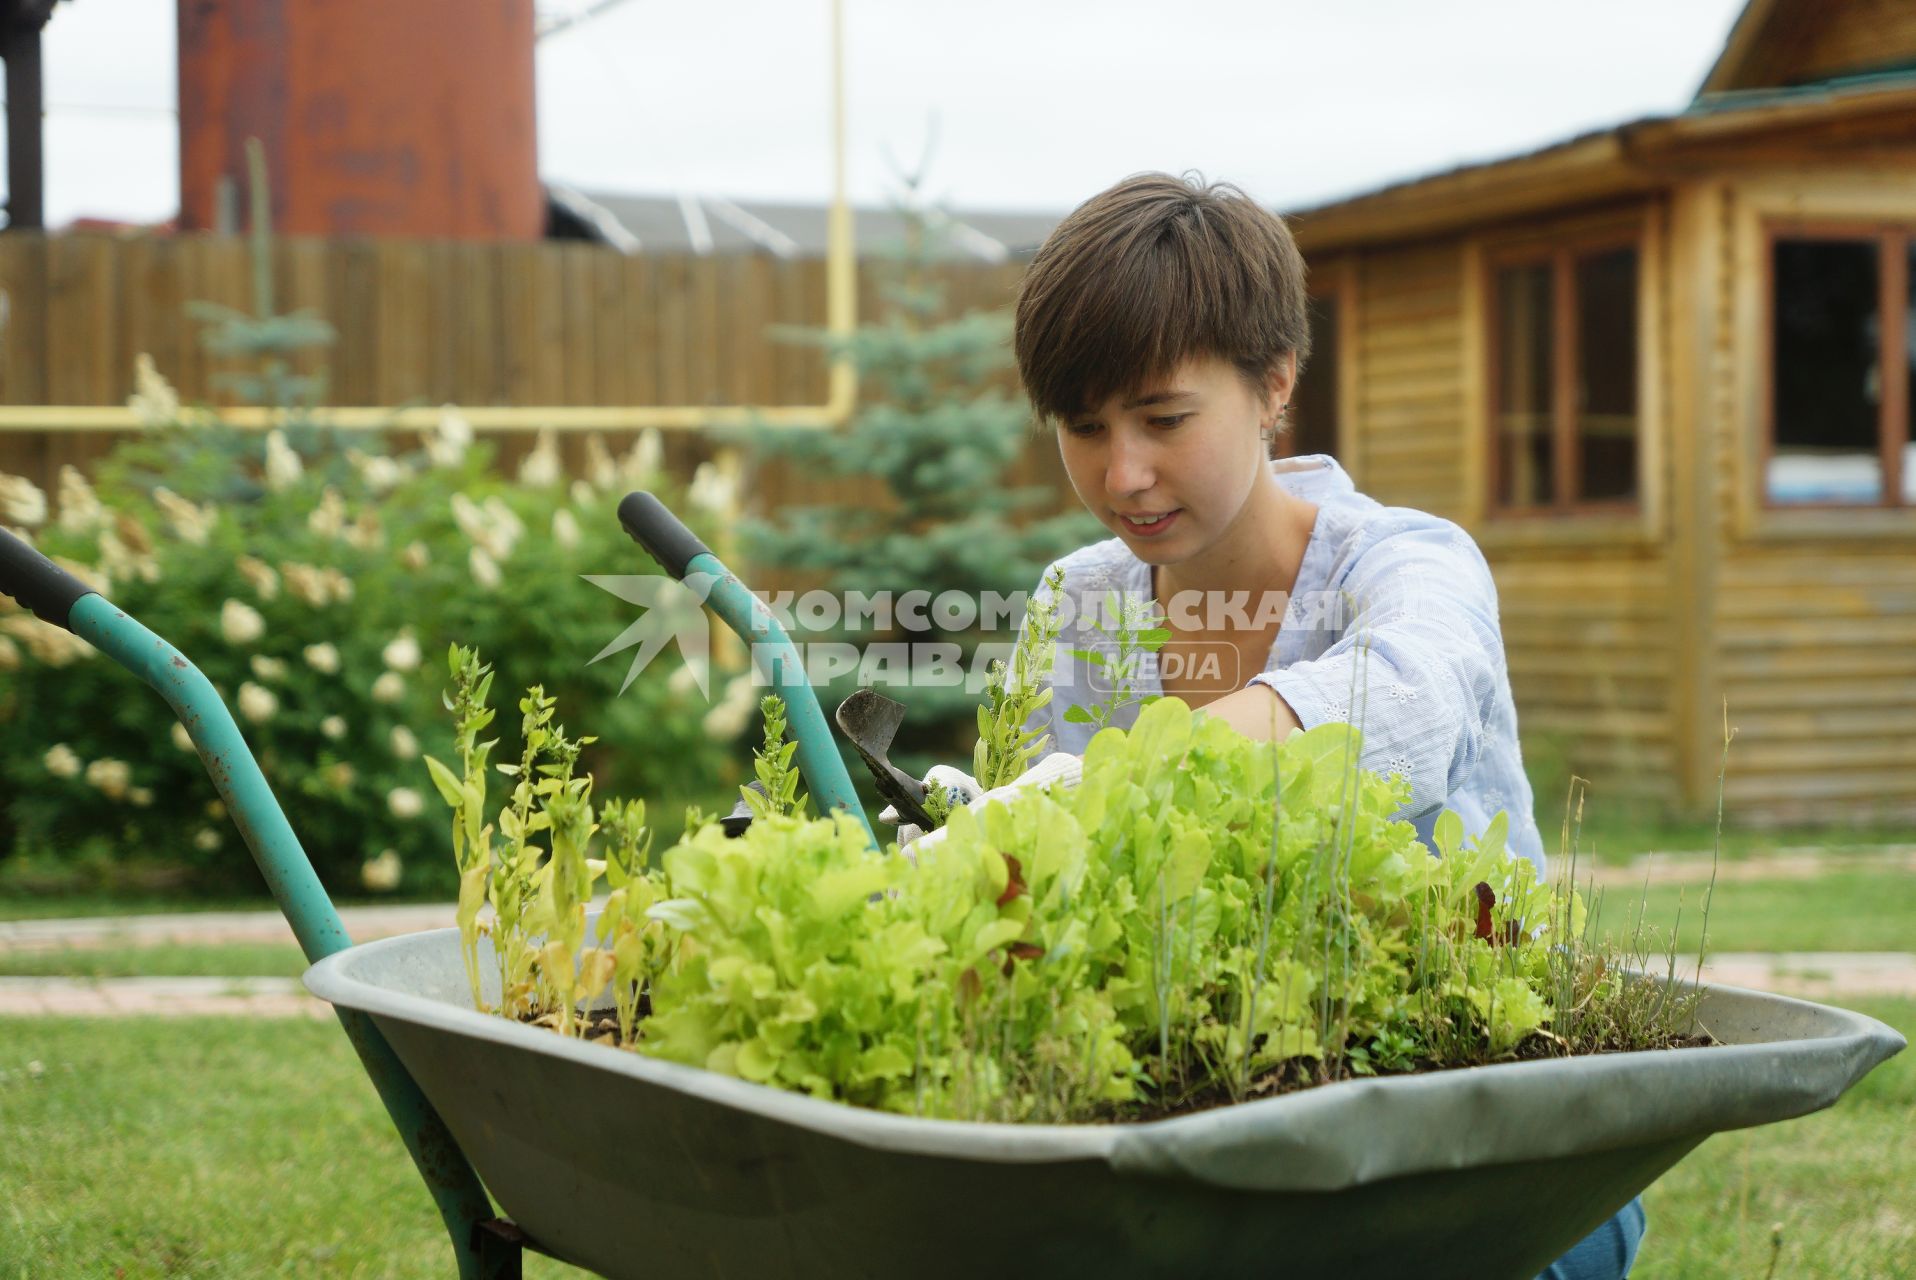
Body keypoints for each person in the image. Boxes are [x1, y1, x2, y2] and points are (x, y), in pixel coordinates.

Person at [918, 171, 1642, 1279]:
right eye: (1083, 426)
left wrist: (1120, 778)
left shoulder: (1406, 562)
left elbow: (1402, 699)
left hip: (1496, 1145)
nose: (1123, 473)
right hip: (1224, 1141)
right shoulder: (1077, 599)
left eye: (1163, 418)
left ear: (1273, 383)